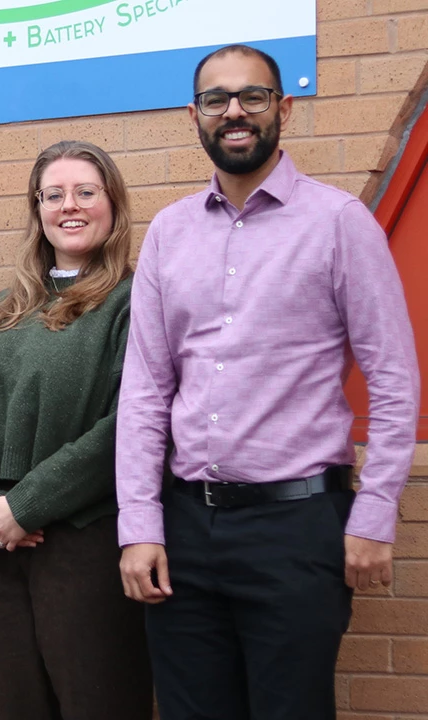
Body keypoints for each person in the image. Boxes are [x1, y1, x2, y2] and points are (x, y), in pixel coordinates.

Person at [117, 44, 420, 719]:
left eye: (252, 97)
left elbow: (394, 382)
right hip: (185, 531)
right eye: (215, 99)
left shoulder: (340, 224)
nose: (234, 112)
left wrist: (374, 516)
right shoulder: (168, 234)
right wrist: (139, 524)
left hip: (298, 530)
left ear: (282, 108)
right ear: (192, 115)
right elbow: (144, 392)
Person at [0, 140, 152, 720]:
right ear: (37, 209)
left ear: (113, 204)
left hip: (81, 542)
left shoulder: (132, 304)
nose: (69, 206)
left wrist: (27, 504)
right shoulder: (2, 308)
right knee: (18, 705)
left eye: (86, 191)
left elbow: (131, 423)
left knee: (98, 701)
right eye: (53, 195)